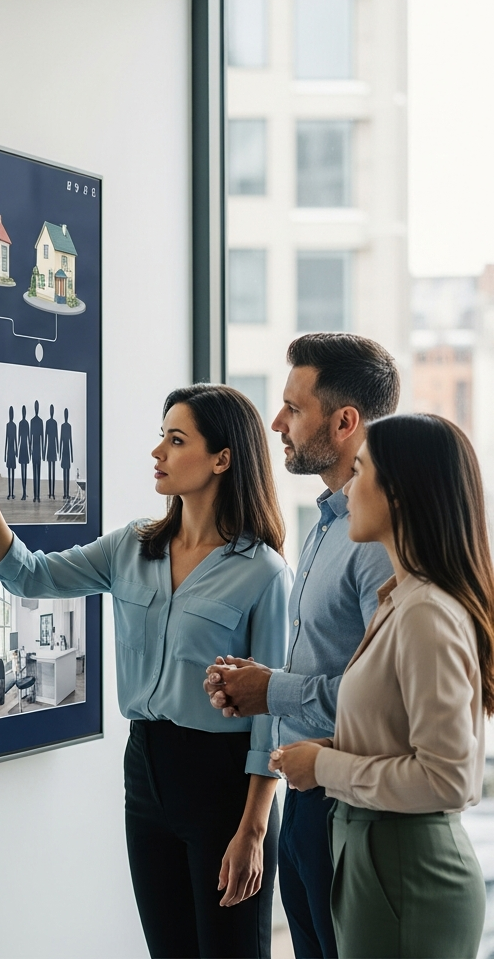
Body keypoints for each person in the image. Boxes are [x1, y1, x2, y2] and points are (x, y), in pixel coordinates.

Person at [0, 385, 291, 958]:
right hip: (146, 766)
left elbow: (274, 720)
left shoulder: (264, 573)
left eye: (176, 440)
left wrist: (253, 830)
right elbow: (30, 576)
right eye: (161, 437)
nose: (157, 452)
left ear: (222, 459)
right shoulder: (132, 548)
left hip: (225, 784)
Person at [203, 333, 399, 959]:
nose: (277, 423)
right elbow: (331, 659)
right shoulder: (325, 524)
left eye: (294, 407)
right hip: (307, 801)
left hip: (356, 812)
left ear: (345, 422)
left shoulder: (378, 542)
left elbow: (386, 700)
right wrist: (262, 684)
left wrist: (272, 690)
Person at [270, 414, 492, 958]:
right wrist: (329, 748)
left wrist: (324, 767)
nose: (348, 488)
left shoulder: (425, 613)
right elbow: (397, 735)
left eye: (361, 470)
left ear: (398, 494)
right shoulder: (400, 601)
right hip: (374, 857)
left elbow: (448, 779)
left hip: (404, 872)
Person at [29, 401, 45, 502]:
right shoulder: (34, 421)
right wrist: (30, 450)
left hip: (38, 450)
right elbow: (30, 437)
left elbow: (42, 437)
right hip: (35, 450)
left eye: (37, 407)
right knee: (35, 474)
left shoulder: (39, 421)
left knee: (37, 474)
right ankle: (36, 496)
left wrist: (43, 451)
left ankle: (37, 496)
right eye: (36, 407)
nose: (36, 408)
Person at [45, 404, 59, 499]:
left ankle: (52, 493)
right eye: (51, 410)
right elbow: (46, 437)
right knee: (50, 472)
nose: (51, 412)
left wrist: (58, 450)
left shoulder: (53, 423)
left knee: (52, 472)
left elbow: (56, 437)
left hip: (52, 448)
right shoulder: (50, 423)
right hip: (51, 448)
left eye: (52, 410)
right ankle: (51, 493)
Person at [3, 406, 18, 499]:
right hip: (10, 451)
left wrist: (15, 452)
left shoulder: (10, 425)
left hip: (10, 451)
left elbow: (12, 440)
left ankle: (11, 493)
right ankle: (10, 493)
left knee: (11, 473)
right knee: (11, 473)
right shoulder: (11, 425)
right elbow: (7, 440)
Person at [60, 407, 73, 499]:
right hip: (65, 451)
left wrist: (71, 455)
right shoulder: (64, 426)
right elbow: (61, 440)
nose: (66, 416)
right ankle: (65, 493)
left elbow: (70, 441)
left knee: (67, 472)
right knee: (65, 473)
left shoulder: (68, 426)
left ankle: (66, 493)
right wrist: (60, 454)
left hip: (67, 451)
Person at [17, 405, 30, 500]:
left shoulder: (22, 424)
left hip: (24, 448)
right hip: (23, 448)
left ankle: (24, 492)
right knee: (23, 472)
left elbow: (27, 439)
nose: (24, 413)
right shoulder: (22, 424)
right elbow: (18, 439)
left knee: (24, 472)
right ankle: (24, 492)